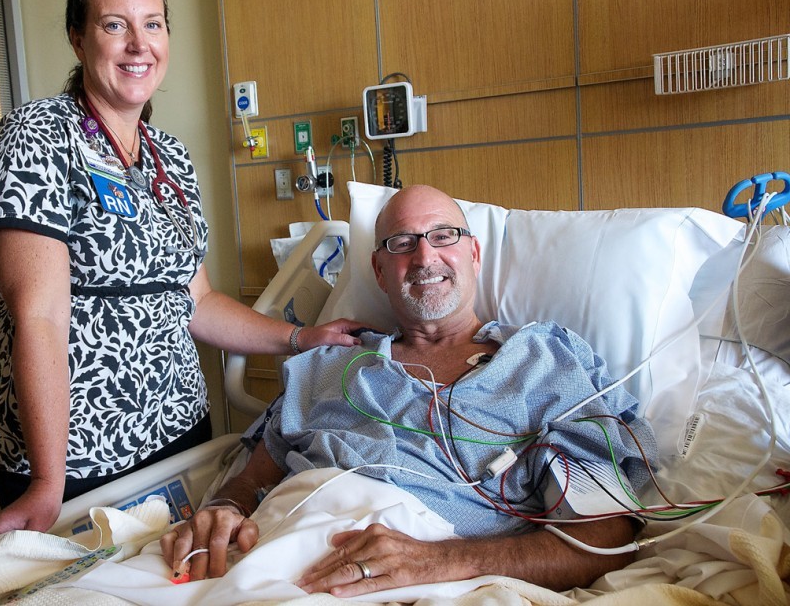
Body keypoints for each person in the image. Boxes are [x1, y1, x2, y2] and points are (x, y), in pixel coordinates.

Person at [0, 0, 361, 544]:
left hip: (176, 431)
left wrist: (300, 338)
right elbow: (40, 315)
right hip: (77, 453)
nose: (139, 44)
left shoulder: (169, 158)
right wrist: (48, 482)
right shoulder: (36, 136)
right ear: (77, 39)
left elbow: (195, 300)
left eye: (152, 24)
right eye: (114, 25)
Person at [161, 185, 658, 596]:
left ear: (473, 254)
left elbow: (604, 535)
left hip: (415, 576)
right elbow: (249, 480)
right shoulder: (330, 363)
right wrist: (223, 511)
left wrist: (437, 561)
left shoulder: (543, 362)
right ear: (379, 271)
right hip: (271, 550)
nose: (424, 256)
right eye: (401, 243)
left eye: (443, 236)